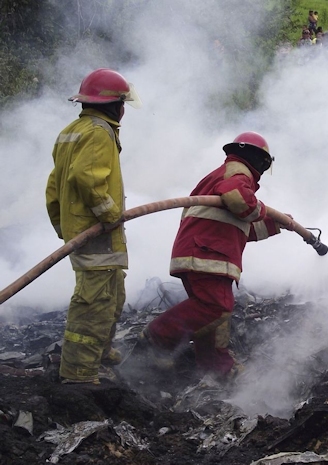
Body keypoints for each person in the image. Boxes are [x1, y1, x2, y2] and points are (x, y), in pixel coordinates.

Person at [138, 132, 292, 381]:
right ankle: (157, 337)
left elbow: (243, 228)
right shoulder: (237, 172)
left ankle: (217, 366)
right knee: (215, 307)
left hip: (206, 252)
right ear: (259, 159)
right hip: (207, 253)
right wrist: (263, 209)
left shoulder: (224, 175)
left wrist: (277, 224)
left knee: (216, 312)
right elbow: (240, 200)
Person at [46, 68, 141, 384]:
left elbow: (54, 185)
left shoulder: (72, 130)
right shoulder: (100, 133)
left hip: (88, 231)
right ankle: (79, 373)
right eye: (123, 103)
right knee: (94, 304)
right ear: (115, 105)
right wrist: (110, 215)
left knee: (113, 295)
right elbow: (86, 178)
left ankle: (100, 351)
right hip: (98, 233)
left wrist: (63, 225)